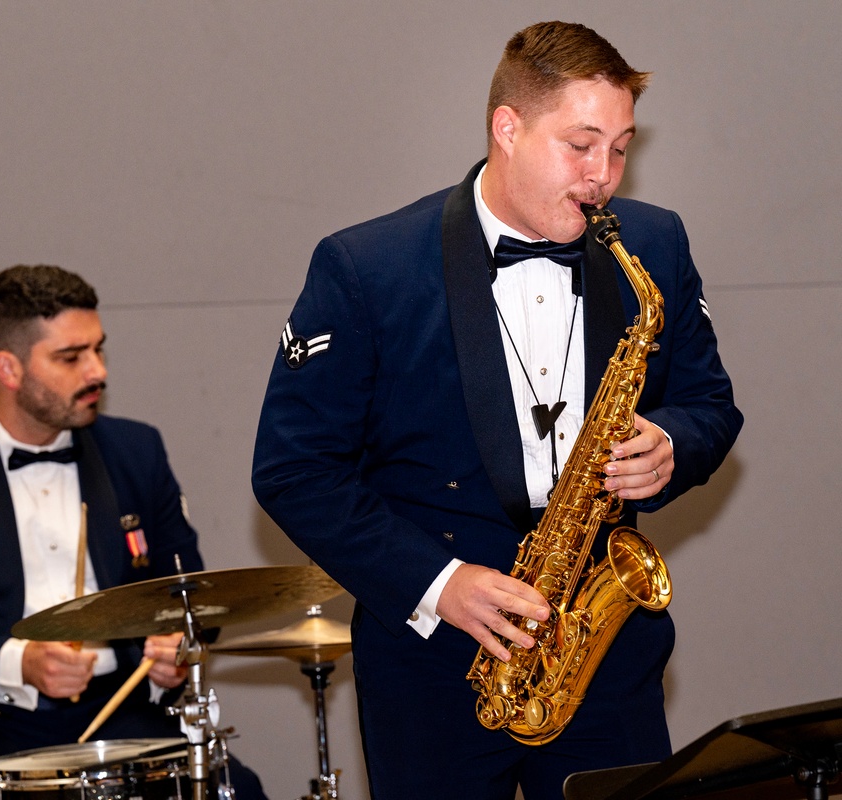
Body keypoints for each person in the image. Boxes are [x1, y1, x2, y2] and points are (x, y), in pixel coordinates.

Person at [252, 21, 743, 800]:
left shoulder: (654, 242)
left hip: (605, 659)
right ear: (506, 128)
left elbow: (711, 405)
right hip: (434, 667)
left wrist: (673, 443)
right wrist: (440, 583)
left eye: (621, 147)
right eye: (581, 145)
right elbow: (293, 469)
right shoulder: (366, 267)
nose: (604, 176)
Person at [0, 265, 267, 800]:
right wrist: (21, 662)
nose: (97, 370)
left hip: (124, 710)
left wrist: (179, 642)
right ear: (8, 368)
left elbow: (193, 593)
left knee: (240, 789)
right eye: (70, 357)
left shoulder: (137, 450)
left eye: (98, 349)